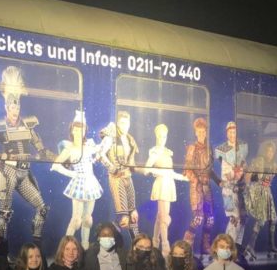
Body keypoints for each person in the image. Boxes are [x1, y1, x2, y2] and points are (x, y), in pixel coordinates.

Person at [0, 65, 54, 243]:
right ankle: (1, 250)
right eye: (12, 107)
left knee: (42, 208)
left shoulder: (28, 125)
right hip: (9, 172)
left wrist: (56, 158)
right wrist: (2, 157)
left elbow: (42, 149)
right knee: (4, 215)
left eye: (17, 107)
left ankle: (36, 246)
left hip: (24, 173)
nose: (15, 111)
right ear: (6, 107)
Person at [50, 110, 103, 249]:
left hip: (90, 183)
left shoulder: (89, 145)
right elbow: (55, 165)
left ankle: (85, 246)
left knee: (87, 219)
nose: (79, 132)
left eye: (82, 129)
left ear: (85, 131)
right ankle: (65, 247)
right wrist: (71, 174)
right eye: (77, 129)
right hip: (79, 183)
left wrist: (108, 137)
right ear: (72, 130)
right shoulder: (69, 149)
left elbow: (101, 150)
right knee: (76, 220)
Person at [143, 124, 188, 257]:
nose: (162, 139)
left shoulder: (168, 152)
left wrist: (184, 178)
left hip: (169, 184)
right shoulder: (155, 151)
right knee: (164, 218)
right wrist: (160, 172)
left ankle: (155, 242)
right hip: (161, 184)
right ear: (156, 136)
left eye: (164, 136)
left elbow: (171, 173)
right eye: (160, 136)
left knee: (160, 216)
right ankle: (165, 247)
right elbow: (146, 170)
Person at [183, 117, 220, 263]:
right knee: (198, 218)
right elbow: (187, 169)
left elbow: (210, 170)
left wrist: (218, 181)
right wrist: (196, 180)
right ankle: (187, 247)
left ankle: (205, 246)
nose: (201, 134)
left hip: (207, 187)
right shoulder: (192, 148)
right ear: (195, 132)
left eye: (203, 131)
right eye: (199, 131)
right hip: (196, 187)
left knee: (210, 219)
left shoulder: (209, 148)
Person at [99, 111, 140, 241]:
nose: (125, 126)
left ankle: (137, 246)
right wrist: (112, 168)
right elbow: (100, 155)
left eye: (127, 123)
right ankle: (112, 241)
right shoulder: (111, 137)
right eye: (122, 123)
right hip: (116, 178)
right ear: (117, 123)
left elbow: (132, 162)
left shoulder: (129, 139)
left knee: (133, 215)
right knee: (124, 218)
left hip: (128, 176)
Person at [244, 139, 277, 260]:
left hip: (267, 192)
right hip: (258, 191)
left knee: (273, 219)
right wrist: (247, 188)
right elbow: (248, 174)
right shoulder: (259, 161)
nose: (270, 153)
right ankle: (250, 246)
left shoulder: (273, 165)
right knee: (261, 220)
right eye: (268, 151)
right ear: (264, 151)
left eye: (272, 151)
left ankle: (271, 246)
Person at [215, 121, 249, 247]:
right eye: (230, 132)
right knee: (234, 218)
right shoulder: (223, 150)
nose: (232, 134)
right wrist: (237, 173)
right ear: (226, 134)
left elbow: (244, 167)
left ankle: (236, 246)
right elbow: (228, 174)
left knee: (243, 218)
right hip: (229, 190)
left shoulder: (242, 147)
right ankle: (227, 247)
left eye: (234, 132)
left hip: (240, 189)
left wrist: (243, 172)